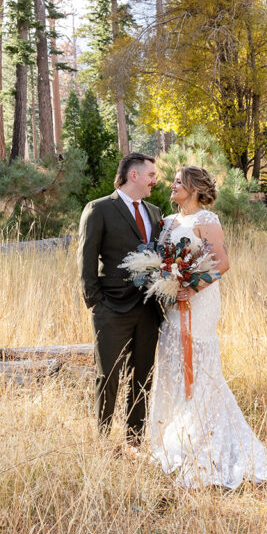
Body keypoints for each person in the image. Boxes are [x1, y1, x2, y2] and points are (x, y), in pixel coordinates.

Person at [146, 165, 267, 488]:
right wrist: (167, 282)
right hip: (172, 305)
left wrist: (191, 287)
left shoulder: (206, 221)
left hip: (199, 304)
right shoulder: (167, 222)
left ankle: (204, 439)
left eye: (179, 182)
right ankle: (173, 439)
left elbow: (221, 263)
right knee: (171, 361)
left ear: (195, 188)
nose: (172, 184)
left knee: (198, 368)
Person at [77, 153, 164, 447]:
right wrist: (95, 302)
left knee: (143, 375)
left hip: (149, 308)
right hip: (111, 307)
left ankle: (134, 439)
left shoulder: (154, 212)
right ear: (134, 176)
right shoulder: (99, 209)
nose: (155, 180)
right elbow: (86, 260)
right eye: (151, 174)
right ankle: (102, 438)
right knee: (108, 374)